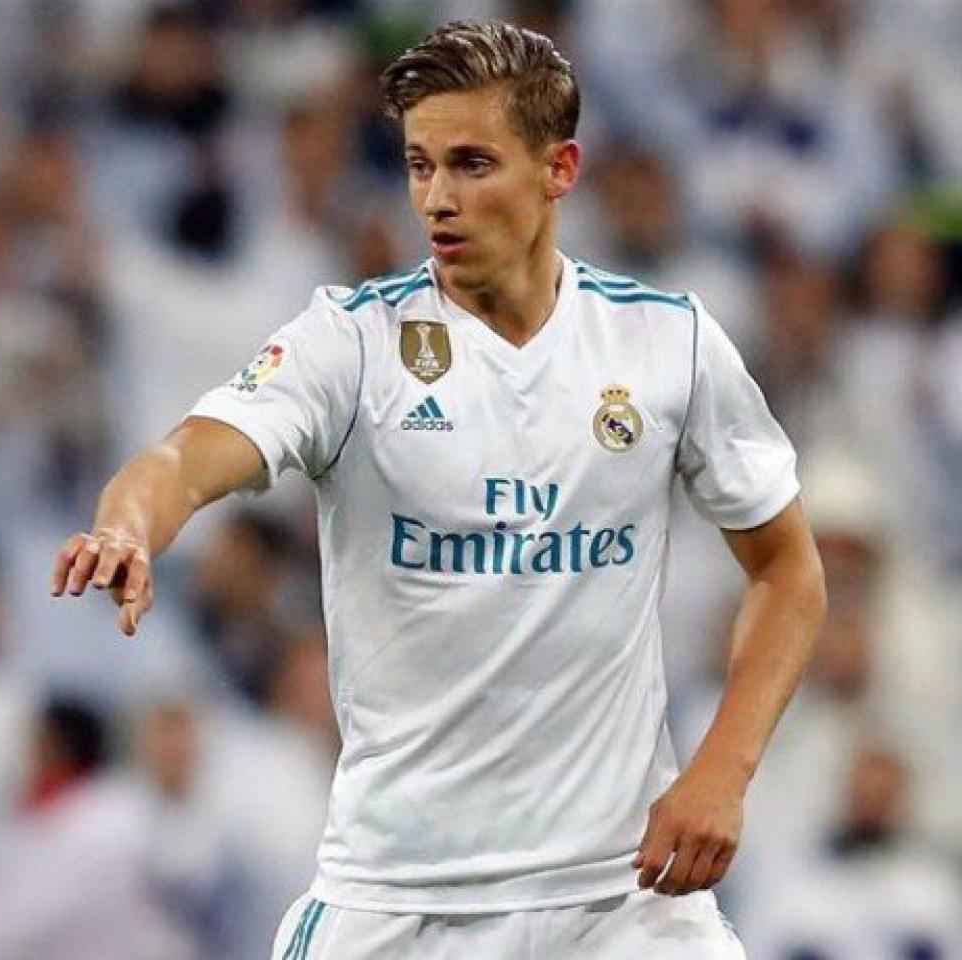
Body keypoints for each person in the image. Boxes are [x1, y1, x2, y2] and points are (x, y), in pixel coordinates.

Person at [50, 20, 826, 959]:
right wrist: (128, 524)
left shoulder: (668, 343)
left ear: (560, 168)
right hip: (402, 901)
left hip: (619, 896)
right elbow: (184, 456)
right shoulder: (355, 343)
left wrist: (721, 774)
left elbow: (787, 570)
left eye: (471, 164)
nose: (437, 199)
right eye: (419, 166)